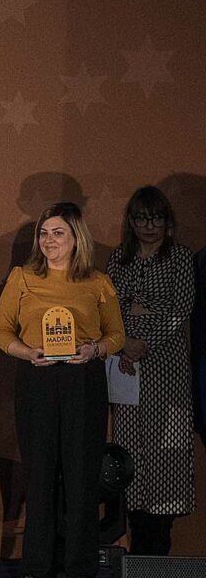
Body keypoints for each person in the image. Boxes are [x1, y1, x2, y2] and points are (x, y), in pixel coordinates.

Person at [0, 201, 125, 578]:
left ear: (76, 238)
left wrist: (95, 349)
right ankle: (37, 565)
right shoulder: (21, 277)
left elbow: (116, 335)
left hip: (83, 381)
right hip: (37, 379)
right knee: (40, 471)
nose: (49, 240)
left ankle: (80, 566)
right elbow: (1, 333)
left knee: (82, 472)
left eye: (58, 233)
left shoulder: (98, 282)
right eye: (44, 233)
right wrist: (27, 353)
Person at [106, 185, 194, 557]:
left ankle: (159, 552)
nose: (149, 226)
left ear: (167, 221)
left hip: (166, 373)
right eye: (142, 218)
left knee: (167, 452)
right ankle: (135, 541)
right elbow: (109, 309)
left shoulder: (180, 259)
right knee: (130, 454)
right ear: (131, 221)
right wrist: (126, 339)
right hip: (125, 367)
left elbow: (181, 308)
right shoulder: (118, 260)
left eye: (156, 218)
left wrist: (144, 338)